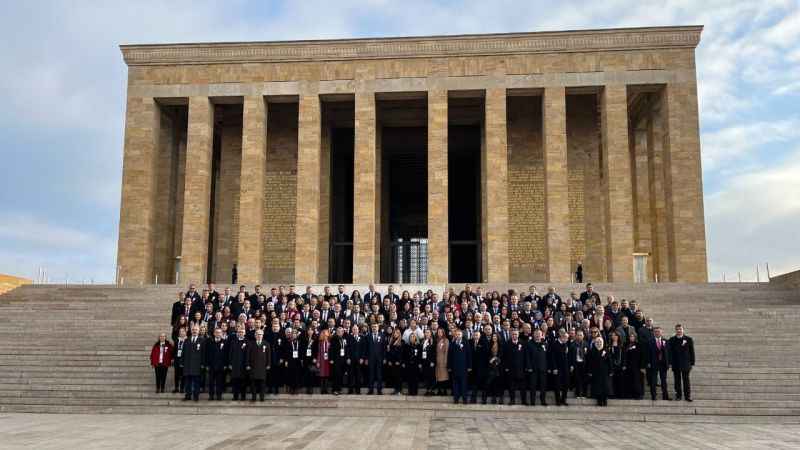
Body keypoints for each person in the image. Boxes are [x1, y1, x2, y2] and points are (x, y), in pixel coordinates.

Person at [668, 324, 695, 402]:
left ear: (683, 330)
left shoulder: (688, 339)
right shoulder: (672, 339)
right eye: (677, 329)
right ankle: (678, 395)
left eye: (680, 329)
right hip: (676, 363)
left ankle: (687, 396)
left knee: (686, 380)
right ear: (675, 330)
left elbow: (691, 352)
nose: (679, 331)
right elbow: (670, 352)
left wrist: (692, 363)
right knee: (677, 381)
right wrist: (670, 362)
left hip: (686, 363)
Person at [447, 329, 472, 405]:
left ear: (462, 335)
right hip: (454, 368)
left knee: (464, 384)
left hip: (463, 368)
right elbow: (449, 356)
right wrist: (449, 366)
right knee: (455, 384)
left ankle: (464, 399)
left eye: (459, 334)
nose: (458, 336)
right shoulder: (452, 343)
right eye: (456, 334)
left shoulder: (466, 343)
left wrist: (469, 366)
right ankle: (456, 399)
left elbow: (469, 355)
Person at [647, 326, 671, 401]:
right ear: (653, 333)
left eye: (658, 331)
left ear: (661, 332)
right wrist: (648, 362)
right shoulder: (650, 341)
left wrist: (669, 363)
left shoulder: (666, 341)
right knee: (653, 381)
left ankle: (665, 396)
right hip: (653, 363)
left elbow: (669, 353)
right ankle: (653, 396)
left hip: (663, 364)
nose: (657, 333)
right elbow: (647, 353)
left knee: (663, 381)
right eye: (656, 331)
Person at [247, 329, 271, 402]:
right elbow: (248, 355)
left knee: (262, 383)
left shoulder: (266, 344)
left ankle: (262, 397)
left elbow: (268, 355)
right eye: (257, 334)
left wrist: (268, 364)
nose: (259, 335)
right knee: (253, 383)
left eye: (260, 334)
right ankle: (254, 397)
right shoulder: (251, 344)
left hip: (263, 367)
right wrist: (247, 364)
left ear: (262, 335)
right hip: (253, 366)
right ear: (255, 335)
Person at [504, 329, 527, 405]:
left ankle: (524, 400)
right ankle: (512, 400)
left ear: (518, 335)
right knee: (511, 386)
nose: (514, 336)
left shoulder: (523, 343)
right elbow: (505, 357)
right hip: (511, 369)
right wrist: (506, 367)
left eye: (516, 334)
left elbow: (525, 356)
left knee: (523, 387)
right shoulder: (507, 344)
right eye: (513, 334)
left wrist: (526, 366)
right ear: (511, 335)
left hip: (521, 368)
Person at [205, 327, 229, 401]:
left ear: (222, 334)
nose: (218, 334)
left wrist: (225, 364)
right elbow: (207, 354)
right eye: (216, 332)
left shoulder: (225, 342)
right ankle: (211, 395)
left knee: (220, 382)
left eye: (219, 332)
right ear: (214, 333)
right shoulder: (209, 342)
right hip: (211, 366)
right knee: (211, 382)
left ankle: (219, 395)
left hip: (221, 366)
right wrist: (207, 365)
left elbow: (227, 354)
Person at [526, 329, 548, 406]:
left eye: (539, 334)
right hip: (533, 369)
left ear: (542, 335)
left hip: (543, 368)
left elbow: (547, 356)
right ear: (533, 335)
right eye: (536, 334)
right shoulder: (529, 344)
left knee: (543, 386)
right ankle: (532, 401)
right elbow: (527, 357)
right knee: (533, 386)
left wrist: (547, 367)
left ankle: (543, 401)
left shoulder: (545, 343)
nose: (538, 335)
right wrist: (529, 367)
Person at [183, 325, 205, 402]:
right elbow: (183, 352)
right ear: (191, 331)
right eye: (193, 329)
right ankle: (188, 395)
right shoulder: (187, 340)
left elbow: (204, 353)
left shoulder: (202, 340)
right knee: (187, 382)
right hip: (187, 364)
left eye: (196, 330)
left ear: (199, 331)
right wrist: (182, 362)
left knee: (196, 382)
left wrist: (203, 363)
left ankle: (196, 396)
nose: (194, 331)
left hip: (197, 365)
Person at [587, 337, 611, 406]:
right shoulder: (592, 351)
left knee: (605, 386)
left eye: (600, 342)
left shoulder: (605, 350)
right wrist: (590, 371)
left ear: (602, 343)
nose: (599, 343)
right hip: (596, 372)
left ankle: (605, 400)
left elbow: (609, 361)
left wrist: (611, 370)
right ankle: (599, 401)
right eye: (597, 342)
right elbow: (590, 362)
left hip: (604, 371)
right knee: (597, 387)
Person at [550, 329, 571, 406]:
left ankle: (563, 400)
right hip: (557, 368)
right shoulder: (555, 344)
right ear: (562, 337)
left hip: (565, 368)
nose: (567, 339)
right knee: (557, 385)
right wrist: (554, 368)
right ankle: (558, 400)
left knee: (566, 385)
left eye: (567, 338)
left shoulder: (566, 344)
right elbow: (552, 357)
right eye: (566, 338)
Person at [229, 326, 250, 401]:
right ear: (237, 333)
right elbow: (230, 353)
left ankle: (243, 397)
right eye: (239, 332)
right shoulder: (233, 342)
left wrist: (247, 364)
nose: (241, 333)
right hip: (235, 365)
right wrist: (230, 363)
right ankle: (235, 396)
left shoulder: (247, 342)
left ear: (244, 333)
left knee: (243, 382)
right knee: (235, 382)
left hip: (243, 365)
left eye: (242, 332)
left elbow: (248, 354)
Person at [469, 330, 488, 404]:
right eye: (475, 335)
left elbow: (486, 354)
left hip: (482, 367)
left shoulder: (484, 342)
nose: (476, 336)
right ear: (473, 335)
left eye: (477, 335)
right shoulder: (469, 342)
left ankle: (484, 399)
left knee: (483, 384)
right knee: (474, 383)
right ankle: (473, 398)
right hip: (473, 367)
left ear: (480, 336)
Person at [623, 332, 645, 399]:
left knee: (637, 381)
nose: (631, 338)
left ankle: (638, 394)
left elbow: (642, 356)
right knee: (629, 381)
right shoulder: (626, 345)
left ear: (635, 337)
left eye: (633, 336)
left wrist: (642, 366)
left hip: (637, 366)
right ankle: (630, 394)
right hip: (628, 366)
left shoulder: (639, 345)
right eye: (630, 336)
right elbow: (624, 356)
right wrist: (624, 365)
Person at [365, 323, 385, 395]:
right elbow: (366, 348)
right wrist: (366, 358)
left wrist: (384, 358)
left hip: (379, 358)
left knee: (379, 374)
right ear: (371, 328)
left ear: (378, 327)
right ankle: (371, 390)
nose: (374, 328)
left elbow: (384, 348)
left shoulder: (382, 335)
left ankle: (379, 390)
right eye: (373, 327)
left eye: (375, 327)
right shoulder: (368, 336)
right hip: (370, 358)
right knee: (371, 374)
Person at [570, 329, 590, 399]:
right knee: (577, 379)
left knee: (584, 379)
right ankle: (578, 394)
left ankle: (584, 394)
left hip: (584, 364)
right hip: (576, 363)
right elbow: (570, 356)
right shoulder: (572, 344)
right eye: (578, 335)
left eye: (581, 335)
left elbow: (588, 356)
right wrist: (571, 365)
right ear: (576, 336)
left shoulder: (586, 344)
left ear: (583, 336)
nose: (579, 336)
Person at [329, 327, 349, 395]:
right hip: (336, 360)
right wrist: (331, 359)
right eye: (338, 331)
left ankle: (339, 389)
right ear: (336, 332)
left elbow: (346, 349)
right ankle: (335, 389)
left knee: (341, 375)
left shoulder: (344, 339)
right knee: (336, 375)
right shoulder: (333, 339)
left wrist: (347, 358)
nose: (340, 332)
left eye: (341, 331)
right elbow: (331, 349)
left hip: (343, 360)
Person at [487, 333, 503, 404]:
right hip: (491, 366)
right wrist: (491, 359)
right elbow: (487, 354)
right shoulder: (489, 344)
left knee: (499, 382)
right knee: (493, 382)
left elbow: (502, 354)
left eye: (495, 336)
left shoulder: (501, 344)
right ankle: (494, 397)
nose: (494, 337)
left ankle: (500, 398)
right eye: (493, 336)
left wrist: (495, 359)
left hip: (499, 366)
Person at [386, 328, 404, 394]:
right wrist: (390, 360)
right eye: (394, 333)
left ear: (399, 334)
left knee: (399, 377)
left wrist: (399, 361)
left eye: (397, 333)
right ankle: (396, 389)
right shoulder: (391, 341)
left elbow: (402, 353)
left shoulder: (402, 342)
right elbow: (390, 353)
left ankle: (399, 390)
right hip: (392, 362)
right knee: (394, 376)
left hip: (398, 362)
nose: (395, 334)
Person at [420, 329, 436, 396]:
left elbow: (434, 352)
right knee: (426, 375)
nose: (427, 333)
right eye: (426, 332)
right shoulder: (422, 341)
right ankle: (427, 389)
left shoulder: (433, 341)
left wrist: (433, 361)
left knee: (431, 376)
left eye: (428, 332)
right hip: (424, 361)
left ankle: (431, 390)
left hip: (431, 361)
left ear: (431, 333)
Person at [435, 327, 450, 396]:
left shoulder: (446, 340)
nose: (439, 333)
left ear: (443, 333)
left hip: (443, 360)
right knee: (438, 376)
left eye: (441, 332)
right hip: (437, 361)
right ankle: (439, 390)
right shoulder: (436, 340)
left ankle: (444, 390)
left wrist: (446, 361)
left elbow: (447, 351)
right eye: (438, 332)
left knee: (444, 376)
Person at [172, 327, 187, 393]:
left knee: (183, 374)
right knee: (176, 374)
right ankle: (176, 387)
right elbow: (174, 350)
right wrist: (173, 358)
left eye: (183, 331)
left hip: (184, 359)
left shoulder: (187, 340)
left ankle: (182, 388)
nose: (181, 333)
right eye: (180, 331)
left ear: (185, 332)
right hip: (177, 359)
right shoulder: (176, 340)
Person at [317, 329, 332, 394]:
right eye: (324, 335)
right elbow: (319, 353)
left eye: (326, 335)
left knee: (327, 376)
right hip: (322, 361)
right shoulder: (320, 343)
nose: (325, 336)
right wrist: (318, 361)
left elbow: (331, 352)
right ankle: (322, 390)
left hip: (327, 361)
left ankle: (326, 389)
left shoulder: (329, 343)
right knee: (322, 375)